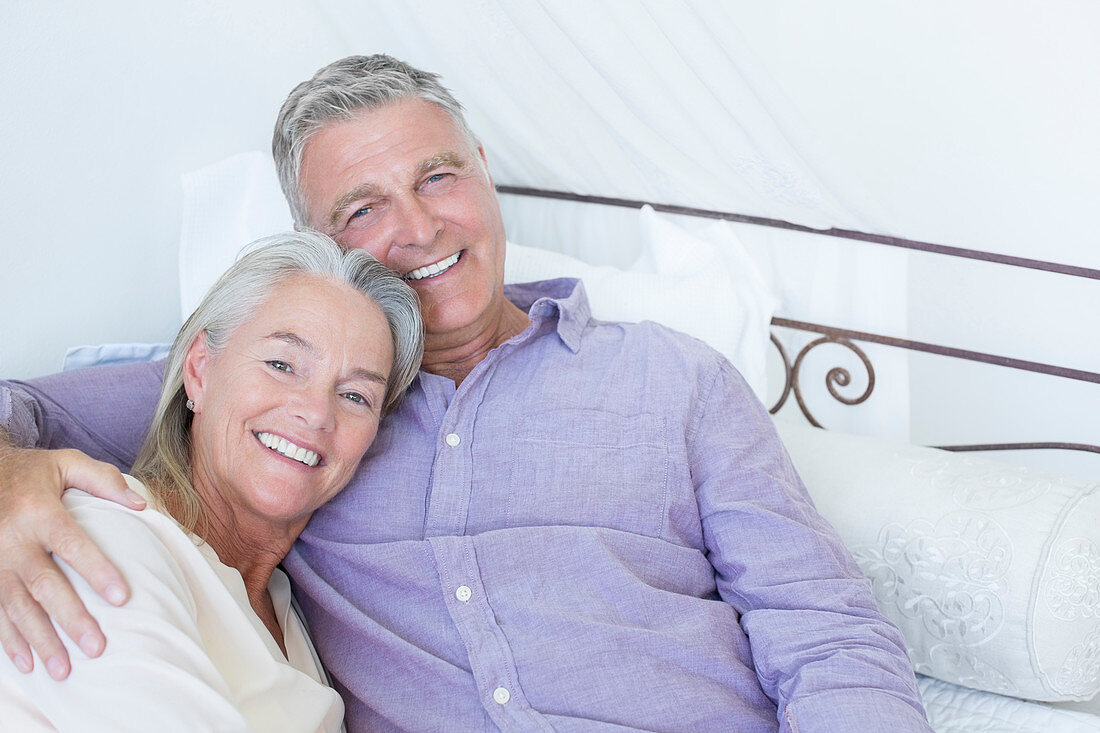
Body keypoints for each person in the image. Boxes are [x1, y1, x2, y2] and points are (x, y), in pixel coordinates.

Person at [0, 55, 934, 731]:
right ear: (320, 243)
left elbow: (825, 631)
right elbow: (31, 409)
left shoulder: (673, 379)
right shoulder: (297, 401)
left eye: (437, 176)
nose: (415, 227)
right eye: (361, 208)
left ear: (484, 170)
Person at [0, 232, 423, 731]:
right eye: (281, 364)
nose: (315, 413)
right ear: (199, 370)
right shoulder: (101, 539)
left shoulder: (290, 615)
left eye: (355, 396)